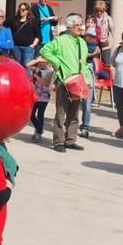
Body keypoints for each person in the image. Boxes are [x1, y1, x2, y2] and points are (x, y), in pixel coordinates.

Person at [30, 14, 91, 153]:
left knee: (74, 112)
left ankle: (70, 140)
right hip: (63, 80)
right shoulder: (61, 40)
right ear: (69, 27)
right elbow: (44, 50)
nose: (80, 27)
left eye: (81, 25)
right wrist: (57, 62)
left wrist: (86, 79)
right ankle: (58, 141)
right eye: (77, 25)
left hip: (78, 81)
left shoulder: (82, 42)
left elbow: (84, 63)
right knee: (61, 112)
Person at [8, 2, 39, 69]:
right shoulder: (14, 20)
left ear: (27, 11)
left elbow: (38, 35)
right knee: (17, 66)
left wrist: (33, 45)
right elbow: (4, 26)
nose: (21, 11)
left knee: (27, 66)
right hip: (16, 47)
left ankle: (27, 79)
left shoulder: (32, 21)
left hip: (28, 48)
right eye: (20, 9)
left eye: (23, 10)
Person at [29, 62, 54, 144]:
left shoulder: (50, 71)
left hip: (44, 96)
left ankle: (38, 133)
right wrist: (37, 61)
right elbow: (27, 64)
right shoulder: (37, 69)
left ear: (46, 62)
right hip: (35, 95)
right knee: (31, 114)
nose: (40, 64)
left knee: (40, 114)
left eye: (42, 62)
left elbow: (45, 83)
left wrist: (36, 76)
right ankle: (39, 128)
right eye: (39, 63)